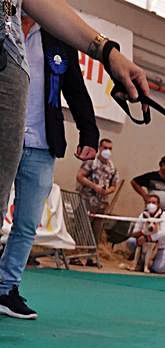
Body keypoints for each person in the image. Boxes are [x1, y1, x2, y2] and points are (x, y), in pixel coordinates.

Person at [1, 0, 147, 216]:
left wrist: (108, 53)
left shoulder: (49, 37)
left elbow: (75, 90)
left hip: (37, 139)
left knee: (24, 222)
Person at [0, 13, 99, 320]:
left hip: (42, 144)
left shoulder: (58, 39)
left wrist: (89, 132)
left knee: (27, 223)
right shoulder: (6, 29)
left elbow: (75, 89)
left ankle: (6, 289)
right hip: (4, 138)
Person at [125, 194, 165, 274]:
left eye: (154, 202)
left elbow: (164, 232)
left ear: (158, 204)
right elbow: (135, 231)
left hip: (161, 246)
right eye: (149, 202)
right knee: (131, 241)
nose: (151, 204)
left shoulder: (164, 215)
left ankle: (158, 263)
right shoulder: (143, 215)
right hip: (145, 243)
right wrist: (141, 235)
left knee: (158, 269)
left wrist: (147, 238)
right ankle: (140, 262)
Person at [76, 138, 119, 222]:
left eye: (110, 148)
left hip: (102, 204)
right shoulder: (91, 161)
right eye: (105, 148)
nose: (107, 151)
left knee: (96, 231)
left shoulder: (112, 167)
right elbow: (80, 176)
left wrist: (107, 191)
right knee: (82, 227)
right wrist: (94, 187)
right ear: (99, 148)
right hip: (87, 201)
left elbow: (114, 186)